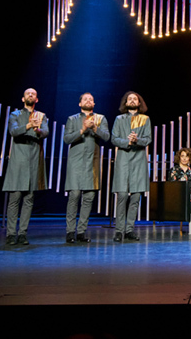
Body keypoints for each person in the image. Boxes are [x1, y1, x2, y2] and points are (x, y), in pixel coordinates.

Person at [2, 88, 49, 245]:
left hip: (34, 160)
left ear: (36, 99)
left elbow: (46, 132)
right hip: (18, 161)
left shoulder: (41, 116)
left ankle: (22, 233)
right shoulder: (15, 115)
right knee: (14, 198)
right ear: (23, 99)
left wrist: (38, 129)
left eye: (34, 94)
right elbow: (13, 131)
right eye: (28, 94)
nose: (31, 95)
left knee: (29, 199)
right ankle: (10, 233)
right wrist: (29, 125)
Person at [63, 92, 109, 243]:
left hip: (92, 163)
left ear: (94, 104)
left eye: (91, 99)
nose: (88, 101)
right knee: (74, 196)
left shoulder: (100, 118)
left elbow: (107, 137)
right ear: (80, 103)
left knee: (89, 198)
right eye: (85, 99)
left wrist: (95, 128)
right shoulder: (72, 119)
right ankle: (70, 231)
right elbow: (67, 139)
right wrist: (82, 129)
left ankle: (81, 231)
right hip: (76, 163)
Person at [111, 91, 151, 242]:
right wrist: (127, 142)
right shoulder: (119, 119)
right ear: (126, 103)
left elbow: (148, 139)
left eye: (135, 99)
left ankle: (129, 230)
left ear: (139, 103)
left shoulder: (145, 119)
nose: (133, 101)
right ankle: (119, 230)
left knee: (135, 197)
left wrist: (137, 139)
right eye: (130, 99)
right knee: (122, 195)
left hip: (138, 160)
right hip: (123, 159)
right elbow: (114, 138)